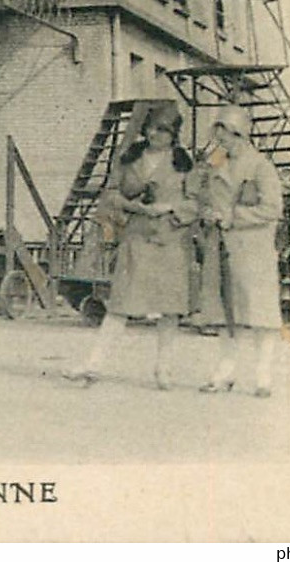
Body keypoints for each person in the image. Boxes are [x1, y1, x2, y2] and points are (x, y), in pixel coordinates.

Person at [67, 104, 196, 389]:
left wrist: (171, 208)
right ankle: (94, 364)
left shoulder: (184, 162)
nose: (155, 135)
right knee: (120, 304)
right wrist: (132, 206)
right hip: (136, 239)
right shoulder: (129, 159)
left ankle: (164, 370)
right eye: (151, 128)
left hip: (170, 241)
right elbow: (111, 193)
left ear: (174, 134)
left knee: (170, 309)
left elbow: (197, 201)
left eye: (164, 130)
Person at [195, 105, 286, 397]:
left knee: (261, 316)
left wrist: (232, 217)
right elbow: (203, 198)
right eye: (218, 136)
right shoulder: (215, 164)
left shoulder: (260, 166)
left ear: (239, 134)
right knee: (224, 314)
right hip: (220, 248)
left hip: (253, 250)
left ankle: (263, 375)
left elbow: (272, 209)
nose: (220, 142)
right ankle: (226, 370)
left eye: (225, 136)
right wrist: (207, 213)